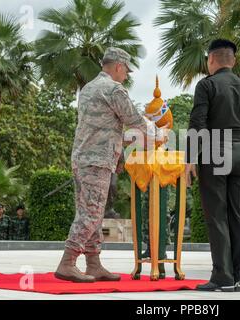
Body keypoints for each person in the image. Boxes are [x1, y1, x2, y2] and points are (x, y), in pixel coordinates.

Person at [54, 47, 167, 283]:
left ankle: (93, 264)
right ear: (118, 66)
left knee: (90, 212)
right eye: (125, 70)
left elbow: (106, 127)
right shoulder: (114, 89)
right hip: (98, 160)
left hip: (82, 158)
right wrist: (159, 135)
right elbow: (135, 120)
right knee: (91, 213)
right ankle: (67, 262)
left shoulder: (88, 89)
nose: (126, 75)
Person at [185, 39, 240, 292]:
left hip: (215, 154)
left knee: (217, 216)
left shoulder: (206, 85)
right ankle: (238, 276)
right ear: (233, 61)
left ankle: (222, 277)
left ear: (211, 60)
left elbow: (198, 123)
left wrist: (190, 159)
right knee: (238, 215)